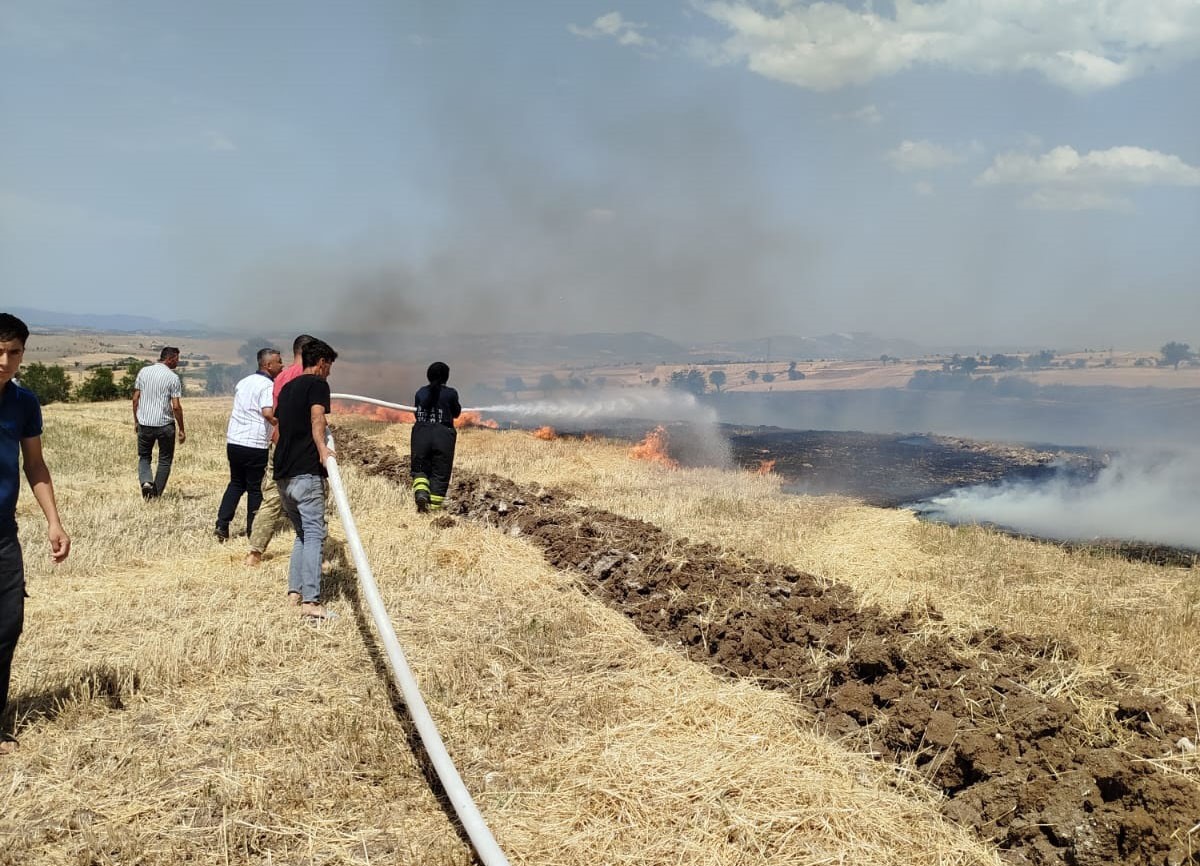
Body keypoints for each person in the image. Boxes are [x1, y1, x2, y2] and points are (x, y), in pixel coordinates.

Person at [0, 313, 71, 755]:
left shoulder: (24, 403)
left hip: (3, 532)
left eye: (14, 353)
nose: (4, 361)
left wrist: (53, 520)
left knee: (8, 625)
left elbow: (35, 465)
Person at [274, 338, 337, 619]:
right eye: (329, 367)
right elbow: (316, 418)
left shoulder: (286, 388)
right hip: (305, 471)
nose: (329, 373)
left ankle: (294, 592)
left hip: (283, 473)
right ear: (321, 362)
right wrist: (323, 449)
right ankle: (311, 603)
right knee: (314, 535)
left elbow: (280, 426)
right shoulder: (318, 385)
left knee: (301, 534)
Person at [244, 334, 315, 566]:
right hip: (301, 447)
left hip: (279, 443)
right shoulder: (310, 376)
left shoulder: (281, 377)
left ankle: (254, 553)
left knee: (272, 498)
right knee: (312, 499)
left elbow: (273, 413)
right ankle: (314, 552)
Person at [215, 347, 283, 541]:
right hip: (254, 443)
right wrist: (282, 424)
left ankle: (222, 523)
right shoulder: (267, 386)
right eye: (279, 361)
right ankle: (253, 530)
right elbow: (268, 413)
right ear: (268, 365)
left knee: (236, 483)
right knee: (254, 488)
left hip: (234, 441)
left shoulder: (243, 382)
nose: (282, 365)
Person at [132, 346, 186, 499]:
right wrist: (181, 428)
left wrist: (136, 420)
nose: (178, 362)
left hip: (145, 423)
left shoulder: (144, 372)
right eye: (176, 359)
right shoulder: (173, 378)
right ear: (169, 359)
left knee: (144, 457)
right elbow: (176, 406)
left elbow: (135, 399)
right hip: (165, 425)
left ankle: (146, 483)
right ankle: (155, 495)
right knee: (164, 460)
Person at [411, 362, 461, 513]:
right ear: (446, 377)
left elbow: (416, 413)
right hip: (443, 435)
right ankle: (433, 509)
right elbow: (456, 413)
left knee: (419, 467)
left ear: (428, 375)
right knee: (440, 472)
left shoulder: (420, 392)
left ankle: (421, 493)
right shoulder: (451, 393)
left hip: (421, 434)